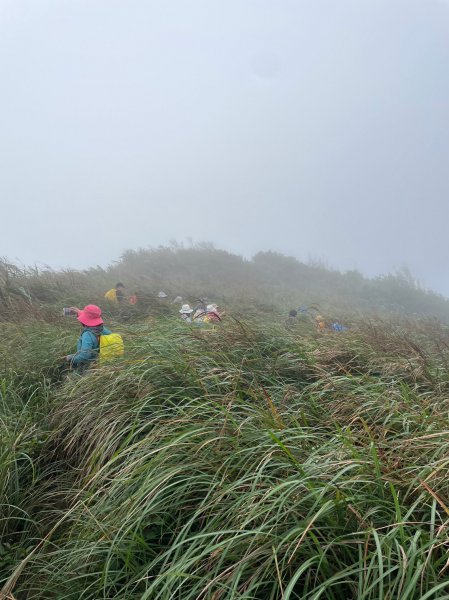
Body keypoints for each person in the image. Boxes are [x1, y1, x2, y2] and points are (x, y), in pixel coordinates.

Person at [65, 305, 112, 372]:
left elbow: (84, 356)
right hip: (98, 362)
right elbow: (110, 334)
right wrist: (78, 312)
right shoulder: (101, 329)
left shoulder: (87, 335)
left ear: (84, 319)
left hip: (86, 367)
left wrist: (70, 358)